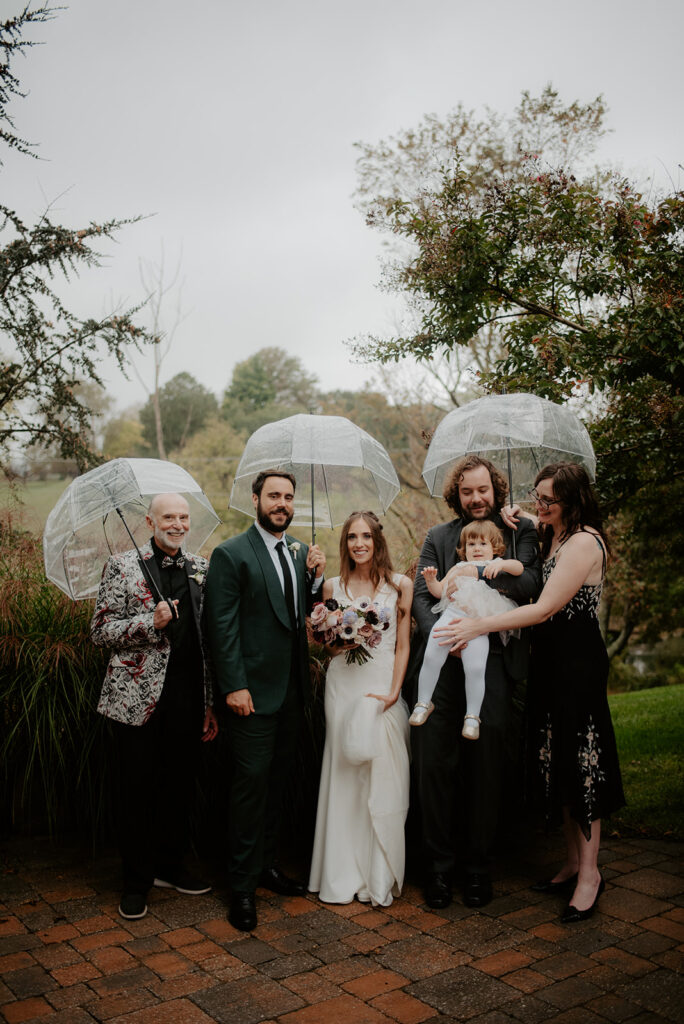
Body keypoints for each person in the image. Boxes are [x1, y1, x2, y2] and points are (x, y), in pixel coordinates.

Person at [441, 462, 625, 923]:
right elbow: (525, 565)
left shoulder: (584, 542)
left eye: (548, 500)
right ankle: (570, 862)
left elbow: (542, 607)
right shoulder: (553, 535)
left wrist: (480, 623)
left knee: (582, 762)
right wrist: (524, 521)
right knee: (557, 758)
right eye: (537, 497)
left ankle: (589, 876)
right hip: (549, 664)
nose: (540, 505)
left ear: (572, 500)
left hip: (577, 665)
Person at [412, 455, 542, 910]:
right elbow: (421, 600)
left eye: (483, 489)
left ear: (496, 488)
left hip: (495, 668)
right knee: (434, 767)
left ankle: (478, 869)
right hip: (444, 664)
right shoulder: (438, 538)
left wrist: (480, 626)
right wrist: (449, 636)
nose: (476, 498)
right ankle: (439, 870)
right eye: (467, 491)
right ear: (457, 494)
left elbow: (530, 587)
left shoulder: (518, 532)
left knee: (486, 768)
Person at [204, 470, 326, 932]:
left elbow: (299, 617)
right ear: (255, 499)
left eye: (289, 497)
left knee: (277, 783)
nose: (282, 504)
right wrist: (233, 686)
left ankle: (266, 867)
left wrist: (314, 579)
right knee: (249, 787)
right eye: (273, 496)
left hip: (291, 692)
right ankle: (240, 888)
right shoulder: (231, 553)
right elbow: (222, 627)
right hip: (250, 696)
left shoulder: (297, 552)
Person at [91, 492, 218, 922]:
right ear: (151, 521)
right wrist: (152, 622)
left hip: (187, 694)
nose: (178, 524)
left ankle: (170, 865)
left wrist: (209, 703)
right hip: (136, 700)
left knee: (179, 785)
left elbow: (208, 642)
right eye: (169, 516)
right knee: (137, 789)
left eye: (184, 517)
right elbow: (101, 631)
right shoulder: (122, 566)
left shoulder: (201, 568)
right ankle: (135, 881)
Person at [308, 511, 412, 907]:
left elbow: (403, 645)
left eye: (366, 536)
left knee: (379, 775)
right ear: (345, 543)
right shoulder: (332, 584)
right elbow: (327, 645)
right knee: (343, 772)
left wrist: (393, 692)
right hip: (343, 686)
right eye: (352, 537)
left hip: (380, 687)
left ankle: (376, 872)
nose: (359, 544)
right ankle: (339, 872)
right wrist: (338, 642)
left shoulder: (399, 585)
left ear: (377, 540)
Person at [410, 520, 523, 739]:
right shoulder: (459, 567)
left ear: (495, 548)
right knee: (432, 654)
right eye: (471, 544)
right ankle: (423, 701)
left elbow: (519, 568)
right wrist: (431, 580)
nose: (477, 548)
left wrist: (503, 564)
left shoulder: (495, 565)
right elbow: (439, 592)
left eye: (483, 543)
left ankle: (472, 716)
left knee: (476, 668)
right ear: (464, 550)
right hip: (451, 618)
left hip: (478, 626)